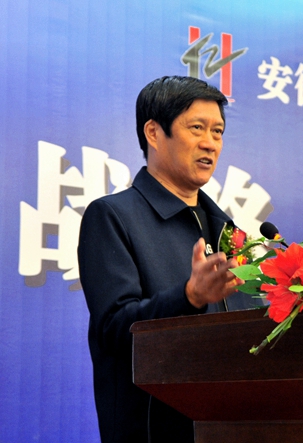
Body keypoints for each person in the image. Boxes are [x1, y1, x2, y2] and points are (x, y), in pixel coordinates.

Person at [78, 76, 245, 442]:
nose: (210, 143)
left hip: (231, 427)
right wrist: (190, 297)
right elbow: (114, 330)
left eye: (217, 132)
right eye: (197, 128)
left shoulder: (226, 230)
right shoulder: (113, 216)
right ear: (154, 133)